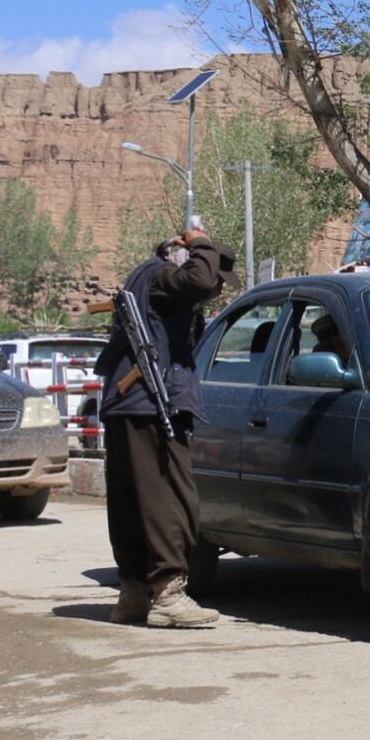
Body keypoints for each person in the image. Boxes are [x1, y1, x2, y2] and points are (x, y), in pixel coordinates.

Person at [95, 225, 235, 627]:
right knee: (169, 499)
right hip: (149, 405)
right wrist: (203, 245)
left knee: (135, 500)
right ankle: (168, 593)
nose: (215, 290)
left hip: (132, 404)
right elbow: (201, 278)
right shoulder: (163, 277)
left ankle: (135, 592)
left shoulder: (152, 278)